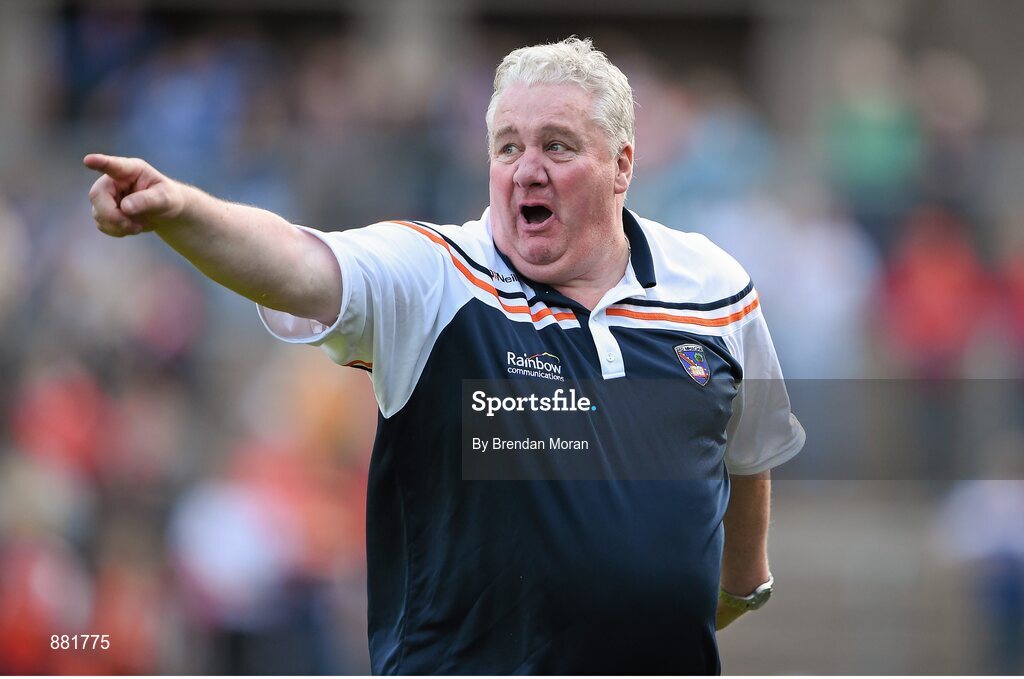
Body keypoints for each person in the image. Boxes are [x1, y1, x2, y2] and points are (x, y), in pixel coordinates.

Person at [86, 37, 804, 674]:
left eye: (556, 146)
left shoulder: (714, 286)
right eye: (507, 146)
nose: (526, 169)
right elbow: (298, 263)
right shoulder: (436, 275)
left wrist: (743, 577)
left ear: (621, 166)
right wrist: (182, 210)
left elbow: (749, 439)